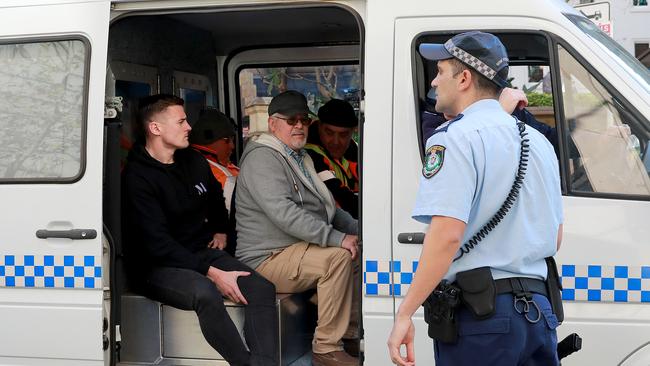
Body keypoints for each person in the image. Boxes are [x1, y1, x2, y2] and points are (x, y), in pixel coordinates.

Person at [387, 32, 563, 366]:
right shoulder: (539, 143)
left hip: (482, 318)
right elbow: (554, 236)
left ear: (464, 78)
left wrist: (404, 314)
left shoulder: (454, 138)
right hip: (539, 314)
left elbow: (447, 235)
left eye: (440, 72)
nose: (435, 82)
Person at [122, 94, 278, 366]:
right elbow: (158, 245)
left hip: (201, 252)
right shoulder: (137, 177)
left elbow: (217, 198)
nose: (189, 127)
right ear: (155, 128)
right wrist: (213, 274)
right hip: (157, 265)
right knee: (205, 292)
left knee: (262, 288)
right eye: (181, 121)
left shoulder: (192, 160)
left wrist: (220, 230)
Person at [235, 90, 360, 366]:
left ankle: (349, 334)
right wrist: (336, 239)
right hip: (266, 257)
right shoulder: (262, 158)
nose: (299, 126)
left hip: (295, 249)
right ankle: (326, 349)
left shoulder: (299, 158)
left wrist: (361, 232)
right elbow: (285, 214)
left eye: (304, 120)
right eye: (291, 120)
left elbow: (328, 209)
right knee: (338, 258)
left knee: (357, 251)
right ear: (272, 124)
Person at [305, 98, 359, 218]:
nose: (335, 142)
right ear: (319, 126)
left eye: (343, 135)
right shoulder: (309, 154)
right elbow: (341, 197)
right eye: (329, 133)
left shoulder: (355, 149)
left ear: (353, 131)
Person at [189, 108, 239, 213]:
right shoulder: (221, 177)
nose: (232, 146)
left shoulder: (220, 166)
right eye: (227, 140)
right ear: (208, 140)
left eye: (232, 140)